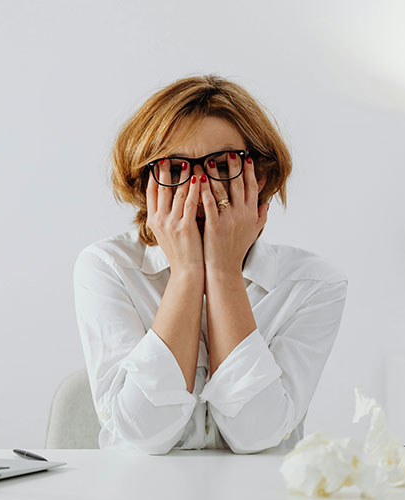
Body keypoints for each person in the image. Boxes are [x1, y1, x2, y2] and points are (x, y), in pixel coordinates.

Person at [73, 75, 347, 455]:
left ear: (260, 177)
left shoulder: (312, 284)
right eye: (175, 168)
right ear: (145, 182)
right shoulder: (107, 267)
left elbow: (256, 434)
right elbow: (145, 433)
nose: (200, 188)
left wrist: (222, 273)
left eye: (222, 165)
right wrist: (187, 275)